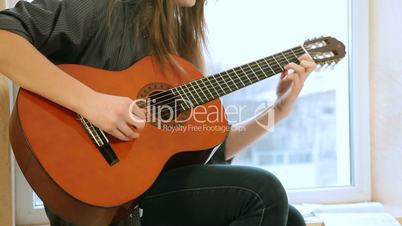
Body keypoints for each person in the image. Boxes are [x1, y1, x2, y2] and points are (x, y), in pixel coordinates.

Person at [0, 0, 317, 225]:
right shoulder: (99, 7)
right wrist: (92, 104)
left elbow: (208, 149)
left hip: (156, 193)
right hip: (104, 200)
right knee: (264, 192)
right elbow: (4, 37)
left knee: (290, 218)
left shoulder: (177, 49)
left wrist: (279, 109)